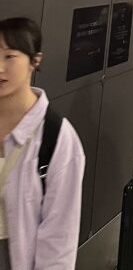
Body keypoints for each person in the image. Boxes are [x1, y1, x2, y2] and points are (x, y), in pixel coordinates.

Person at [0, 17, 85, 270]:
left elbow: (59, 237)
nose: (0, 67)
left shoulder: (56, 137)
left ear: (34, 61)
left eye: (9, 57)